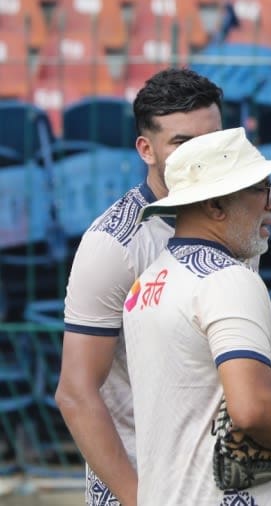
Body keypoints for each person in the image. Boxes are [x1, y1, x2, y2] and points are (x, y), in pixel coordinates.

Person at [120, 127, 271, 504]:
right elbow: (252, 408)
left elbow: (218, 394)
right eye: (263, 189)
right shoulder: (229, 280)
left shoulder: (150, 282)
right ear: (216, 205)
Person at [55, 68, 225, 506]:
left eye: (211, 142)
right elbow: (76, 392)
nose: (201, 158)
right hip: (138, 478)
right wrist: (139, 498)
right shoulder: (114, 244)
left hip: (214, 477)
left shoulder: (234, 220)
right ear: (146, 149)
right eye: (183, 144)